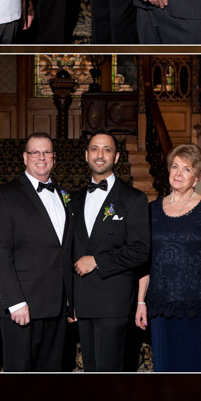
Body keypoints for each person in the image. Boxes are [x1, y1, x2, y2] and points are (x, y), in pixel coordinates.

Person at [136, 143, 201, 372]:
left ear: (197, 177)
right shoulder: (152, 210)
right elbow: (146, 261)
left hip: (199, 306)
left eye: (187, 169)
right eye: (174, 167)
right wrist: (141, 301)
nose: (178, 173)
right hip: (162, 306)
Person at [67, 132, 149, 372]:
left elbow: (141, 251)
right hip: (82, 301)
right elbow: (68, 251)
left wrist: (97, 261)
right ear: (86, 155)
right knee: (91, 369)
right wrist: (70, 300)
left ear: (116, 156)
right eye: (94, 149)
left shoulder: (133, 199)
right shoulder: (73, 199)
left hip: (114, 300)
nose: (99, 155)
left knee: (110, 370)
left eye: (106, 149)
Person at [0, 132, 68, 371]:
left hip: (56, 307)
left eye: (46, 152)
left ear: (54, 158)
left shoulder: (63, 195)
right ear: (25, 157)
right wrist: (14, 302)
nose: (41, 158)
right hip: (23, 308)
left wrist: (70, 302)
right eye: (35, 152)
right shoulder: (5, 195)